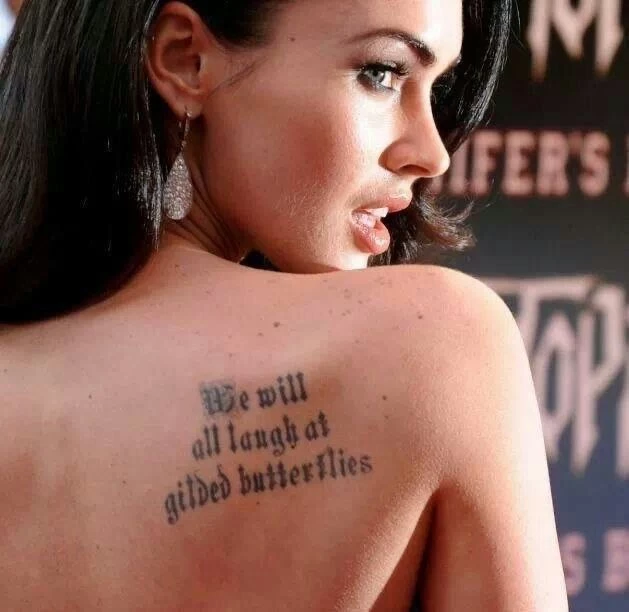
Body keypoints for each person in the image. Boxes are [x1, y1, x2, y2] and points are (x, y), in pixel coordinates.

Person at [0, 0, 569, 610]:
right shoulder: (439, 341)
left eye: (439, 89)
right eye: (381, 73)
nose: (432, 153)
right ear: (185, 60)